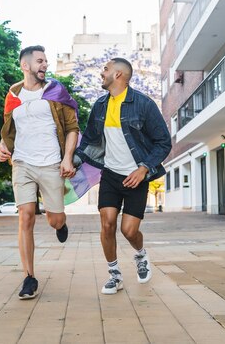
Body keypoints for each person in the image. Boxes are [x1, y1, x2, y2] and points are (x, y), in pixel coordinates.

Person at [75, 57, 171, 294]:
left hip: (136, 176)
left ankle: (140, 255)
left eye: (105, 69)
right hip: (110, 174)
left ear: (118, 75)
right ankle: (114, 274)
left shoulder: (143, 104)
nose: (101, 73)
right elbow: (88, 141)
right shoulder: (100, 105)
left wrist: (144, 169)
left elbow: (163, 143)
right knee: (107, 224)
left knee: (129, 230)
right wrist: (72, 162)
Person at [0, 45, 79, 300]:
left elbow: (72, 127)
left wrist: (67, 158)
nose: (45, 65)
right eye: (40, 61)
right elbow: (8, 130)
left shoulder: (56, 92)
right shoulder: (13, 94)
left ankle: (60, 224)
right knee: (26, 216)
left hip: (51, 163)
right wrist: (2, 146)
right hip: (22, 163)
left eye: (46, 62)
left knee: (54, 219)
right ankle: (29, 277)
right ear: (25, 65)